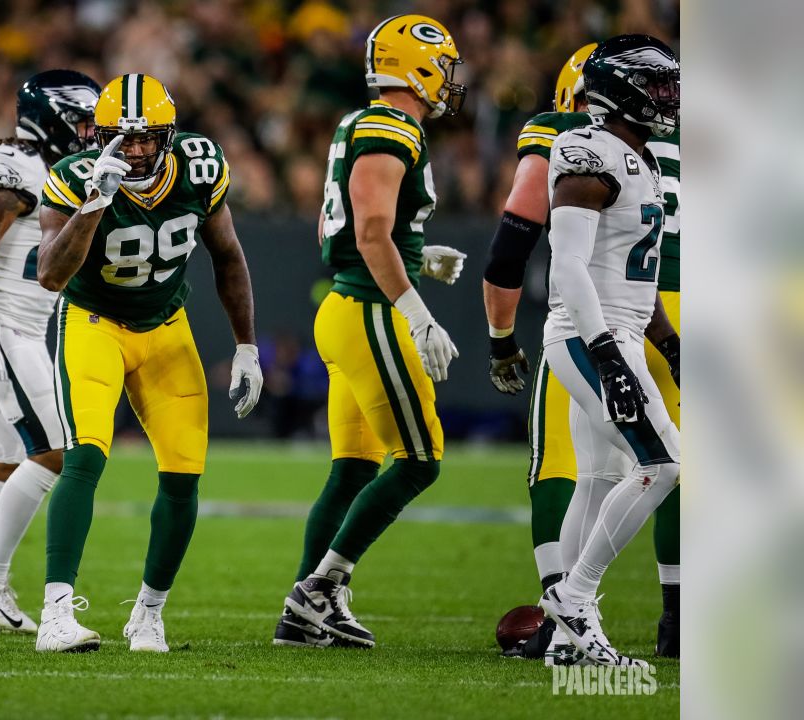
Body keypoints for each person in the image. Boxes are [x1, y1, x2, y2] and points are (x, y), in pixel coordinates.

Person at [34, 73, 262, 653]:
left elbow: (228, 256)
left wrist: (246, 345)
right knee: (85, 456)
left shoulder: (201, 167)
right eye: (120, 138)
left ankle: (148, 614)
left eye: (145, 138)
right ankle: (55, 613)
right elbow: (51, 276)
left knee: (184, 476)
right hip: (93, 323)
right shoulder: (72, 178)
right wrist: (95, 203)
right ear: (100, 135)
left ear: (169, 134)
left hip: (165, 327)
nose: (133, 150)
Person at [481, 43, 682, 662]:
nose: (669, 97)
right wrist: (608, 352)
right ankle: (576, 596)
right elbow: (566, 265)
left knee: (597, 482)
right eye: (657, 85)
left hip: (617, 331)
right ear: (619, 89)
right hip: (587, 336)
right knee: (665, 463)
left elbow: (631, 274)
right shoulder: (584, 149)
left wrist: (669, 343)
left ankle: (568, 637)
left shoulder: (639, 159)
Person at [273, 15, 467, 649]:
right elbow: (369, 231)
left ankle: (302, 617)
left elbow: (367, 229)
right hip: (369, 312)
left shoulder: (370, 123)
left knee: (354, 469)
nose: (449, 79)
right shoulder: (389, 125)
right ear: (417, 65)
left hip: (349, 306)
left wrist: (417, 254)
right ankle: (319, 590)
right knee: (419, 460)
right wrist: (416, 308)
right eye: (443, 65)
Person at [0, 69, 100, 634]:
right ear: (52, 119)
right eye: (82, 121)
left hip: (21, 330)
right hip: (3, 330)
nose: (91, 132)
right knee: (58, 451)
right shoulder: (20, 171)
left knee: (3, 463)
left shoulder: (56, 170)